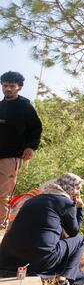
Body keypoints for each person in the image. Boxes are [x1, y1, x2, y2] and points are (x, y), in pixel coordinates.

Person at [0, 173, 84, 285]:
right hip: (41, 259)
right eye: (78, 189)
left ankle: (81, 278)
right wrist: (80, 208)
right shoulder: (66, 202)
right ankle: (64, 279)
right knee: (81, 240)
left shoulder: (33, 199)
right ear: (71, 188)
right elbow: (74, 232)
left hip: (7, 258)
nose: (78, 193)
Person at [0, 71, 42, 229]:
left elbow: (36, 128)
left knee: (3, 194)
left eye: (12, 86)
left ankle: (1, 225)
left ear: (19, 87)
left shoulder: (25, 108)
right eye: (5, 85)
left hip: (11, 157)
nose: (8, 89)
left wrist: (31, 147)